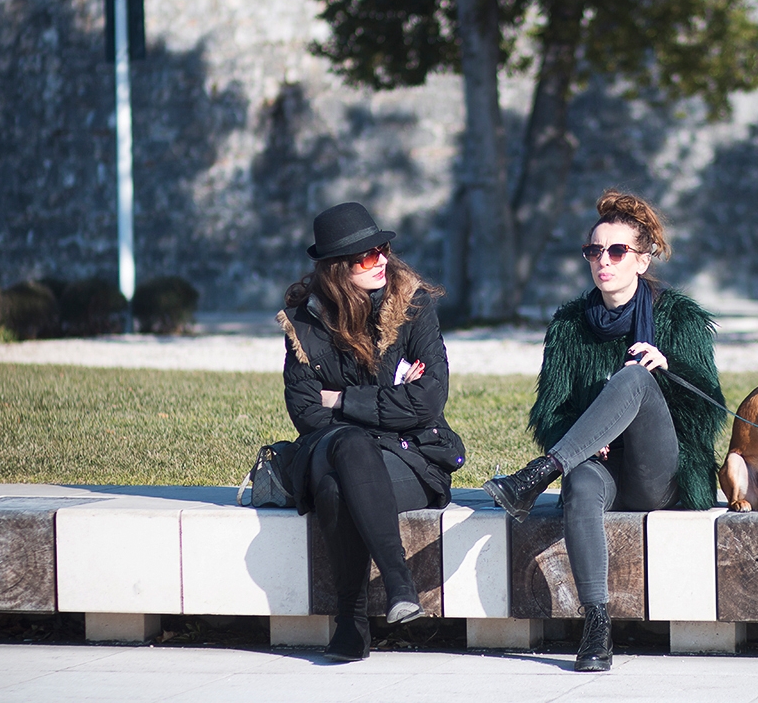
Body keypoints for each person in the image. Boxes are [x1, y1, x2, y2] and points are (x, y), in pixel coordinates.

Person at [483, 190, 725, 672]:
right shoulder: (569, 325)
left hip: (659, 471)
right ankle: (596, 624)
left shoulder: (679, 318)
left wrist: (668, 369)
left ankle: (538, 474)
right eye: (594, 251)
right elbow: (549, 413)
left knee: (634, 377)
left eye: (616, 251)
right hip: (602, 469)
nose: (603, 261)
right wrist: (589, 441)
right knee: (579, 484)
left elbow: (710, 411)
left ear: (642, 259)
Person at [277, 202, 464, 662]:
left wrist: (342, 399)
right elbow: (306, 412)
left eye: (382, 249)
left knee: (336, 486)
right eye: (366, 256)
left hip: (411, 456)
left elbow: (428, 401)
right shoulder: (304, 323)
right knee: (348, 446)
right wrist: (386, 403)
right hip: (336, 447)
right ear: (337, 270)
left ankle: (352, 622)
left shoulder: (413, 306)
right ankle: (399, 586)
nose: (381, 260)